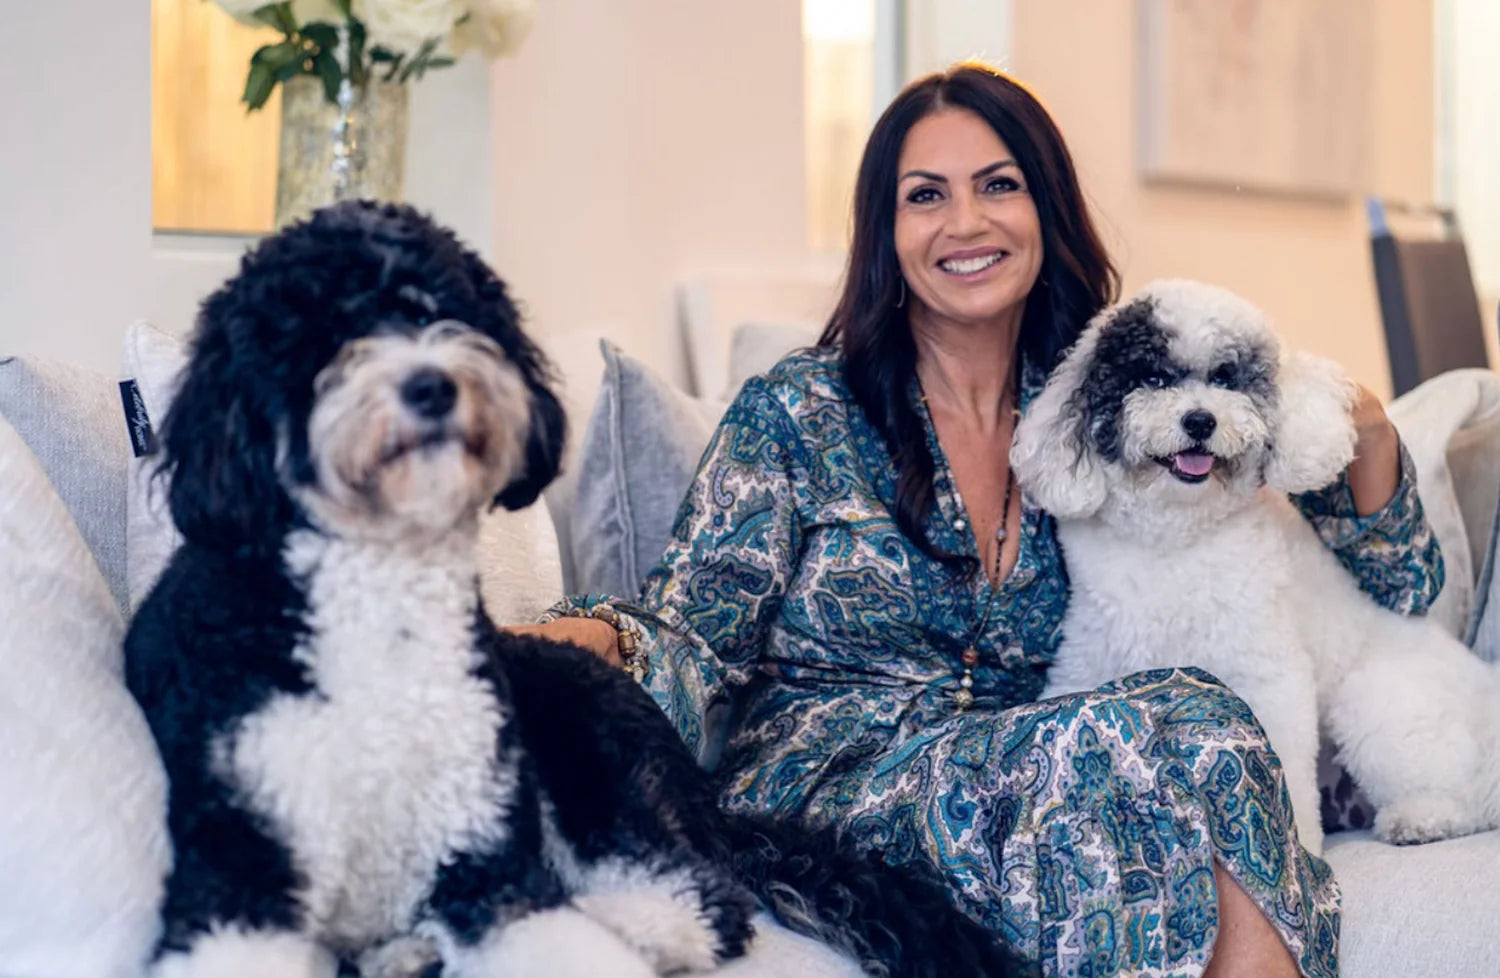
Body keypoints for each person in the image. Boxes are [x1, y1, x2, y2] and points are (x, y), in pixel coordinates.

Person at [519, 64, 1443, 977]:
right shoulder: (797, 410)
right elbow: (690, 633)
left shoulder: (1101, 404)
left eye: (998, 185)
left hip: (1041, 783)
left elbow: (1400, 586)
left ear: (1045, 208)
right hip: (826, 791)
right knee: (1192, 721)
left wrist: (1365, 431)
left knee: (1194, 743)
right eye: (927, 195)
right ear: (887, 232)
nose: (965, 222)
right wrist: (581, 642)